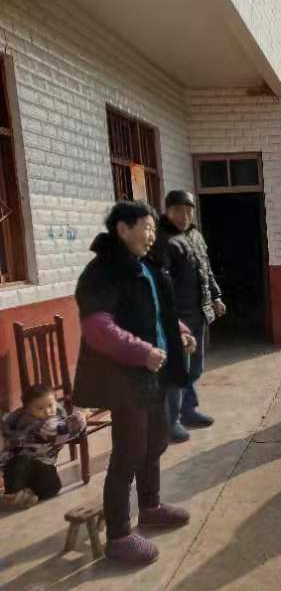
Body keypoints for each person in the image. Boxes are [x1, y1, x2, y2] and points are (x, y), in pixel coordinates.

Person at [74, 200, 197, 565]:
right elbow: (98, 328)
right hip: (123, 377)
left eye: (153, 228)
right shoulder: (102, 272)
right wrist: (141, 352)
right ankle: (118, 535)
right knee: (128, 452)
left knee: (155, 441)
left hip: (153, 373)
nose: (151, 235)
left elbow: (158, 312)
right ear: (123, 229)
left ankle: (150, 506)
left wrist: (180, 332)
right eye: (146, 227)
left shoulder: (146, 265)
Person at [155, 190, 225, 443]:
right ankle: (170, 422)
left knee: (195, 367)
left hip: (198, 312)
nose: (184, 216)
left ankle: (188, 411)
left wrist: (216, 296)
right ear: (167, 211)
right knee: (177, 370)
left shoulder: (195, 235)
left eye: (188, 211)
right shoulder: (162, 240)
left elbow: (206, 270)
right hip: (177, 318)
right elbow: (160, 283)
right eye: (178, 211)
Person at [0, 385, 86, 509]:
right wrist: (81, 417)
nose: (47, 411)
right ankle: (14, 494)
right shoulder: (37, 425)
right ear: (28, 410)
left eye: (50, 405)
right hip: (22, 468)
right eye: (40, 408)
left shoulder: (53, 417)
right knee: (19, 463)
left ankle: (26, 494)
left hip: (42, 468)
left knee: (53, 487)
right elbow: (61, 431)